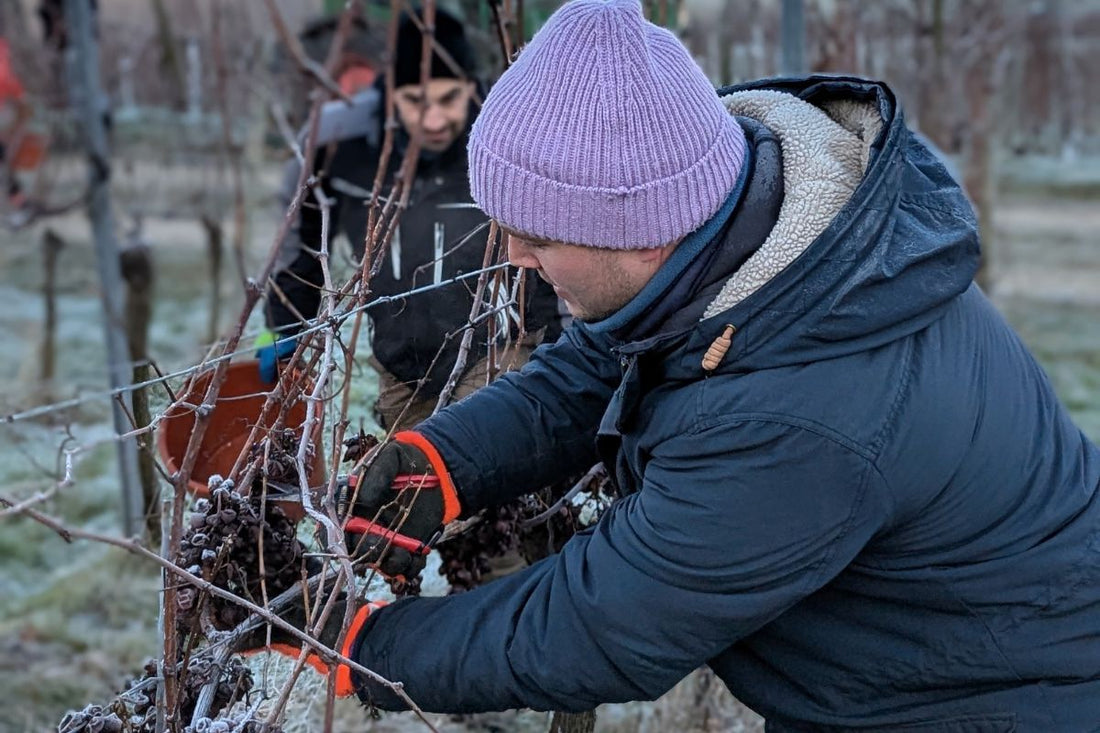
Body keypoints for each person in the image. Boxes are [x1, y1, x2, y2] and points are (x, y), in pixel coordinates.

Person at [248, 1, 1100, 729]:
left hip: (985, 697)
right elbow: (592, 366)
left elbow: (598, 624)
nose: (511, 256)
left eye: (538, 236)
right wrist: (447, 462)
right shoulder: (744, 238)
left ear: (643, 226)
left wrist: (358, 647)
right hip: (920, 656)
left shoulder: (797, 418)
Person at [261, 7, 563, 431]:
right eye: (415, 102)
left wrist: (563, 338)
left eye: (448, 99)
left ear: (470, 88)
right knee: (409, 481)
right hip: (400, 358)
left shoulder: (510, 139)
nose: (434, 119)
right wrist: (278, 331)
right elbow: (301, 245)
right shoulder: (340, 147)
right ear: (390, 94)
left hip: (499, 344)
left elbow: (562, 238)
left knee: (475, 454)